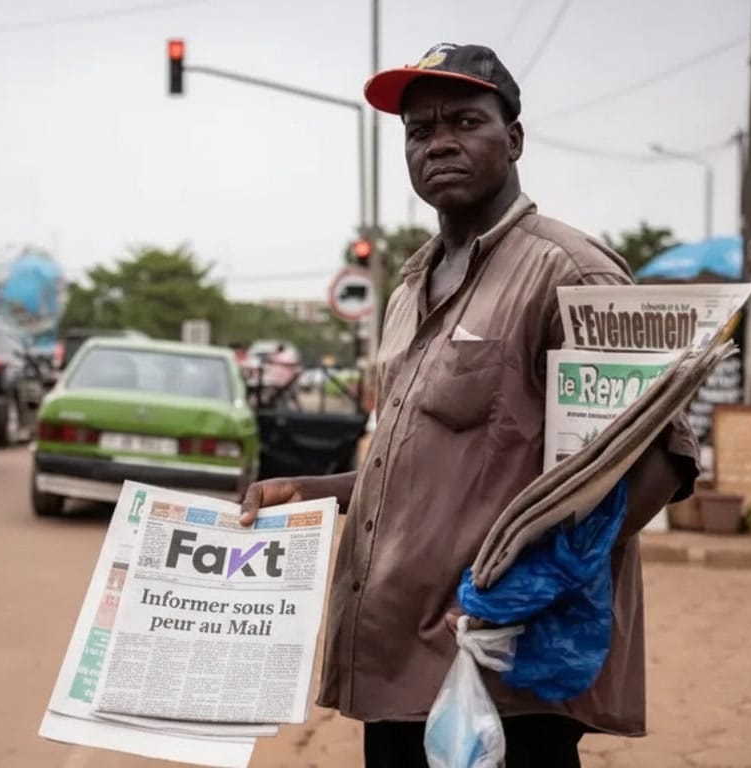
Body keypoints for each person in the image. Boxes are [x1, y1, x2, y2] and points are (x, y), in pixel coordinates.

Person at [239, 43, 699, 767]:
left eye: (464, 121)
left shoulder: (569, 270)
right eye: (419, 132)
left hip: (500, 671)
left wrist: (529, 594)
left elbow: (657, 463)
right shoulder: (409, 285)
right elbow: (430, 471)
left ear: (512, 139)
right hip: (397, 661)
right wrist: (308, 493)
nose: (439, 142)